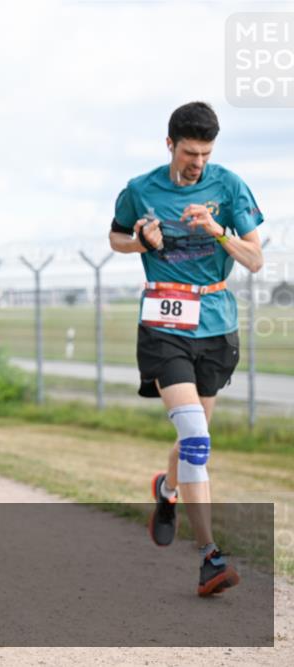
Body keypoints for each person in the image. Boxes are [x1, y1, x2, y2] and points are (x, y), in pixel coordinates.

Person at [109, 101, 264, 597]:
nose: (197, 162)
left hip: (216, 327)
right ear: (170, 143)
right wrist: (142, 240)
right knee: (196, 437)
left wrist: (219, 231)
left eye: (206, 153)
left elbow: (256, 259)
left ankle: (167, 489)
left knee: (193, 442)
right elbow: (116, 236)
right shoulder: (142, 189)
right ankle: (210, 557)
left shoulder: (229, 186)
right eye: (190, 152)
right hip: (164, 324)